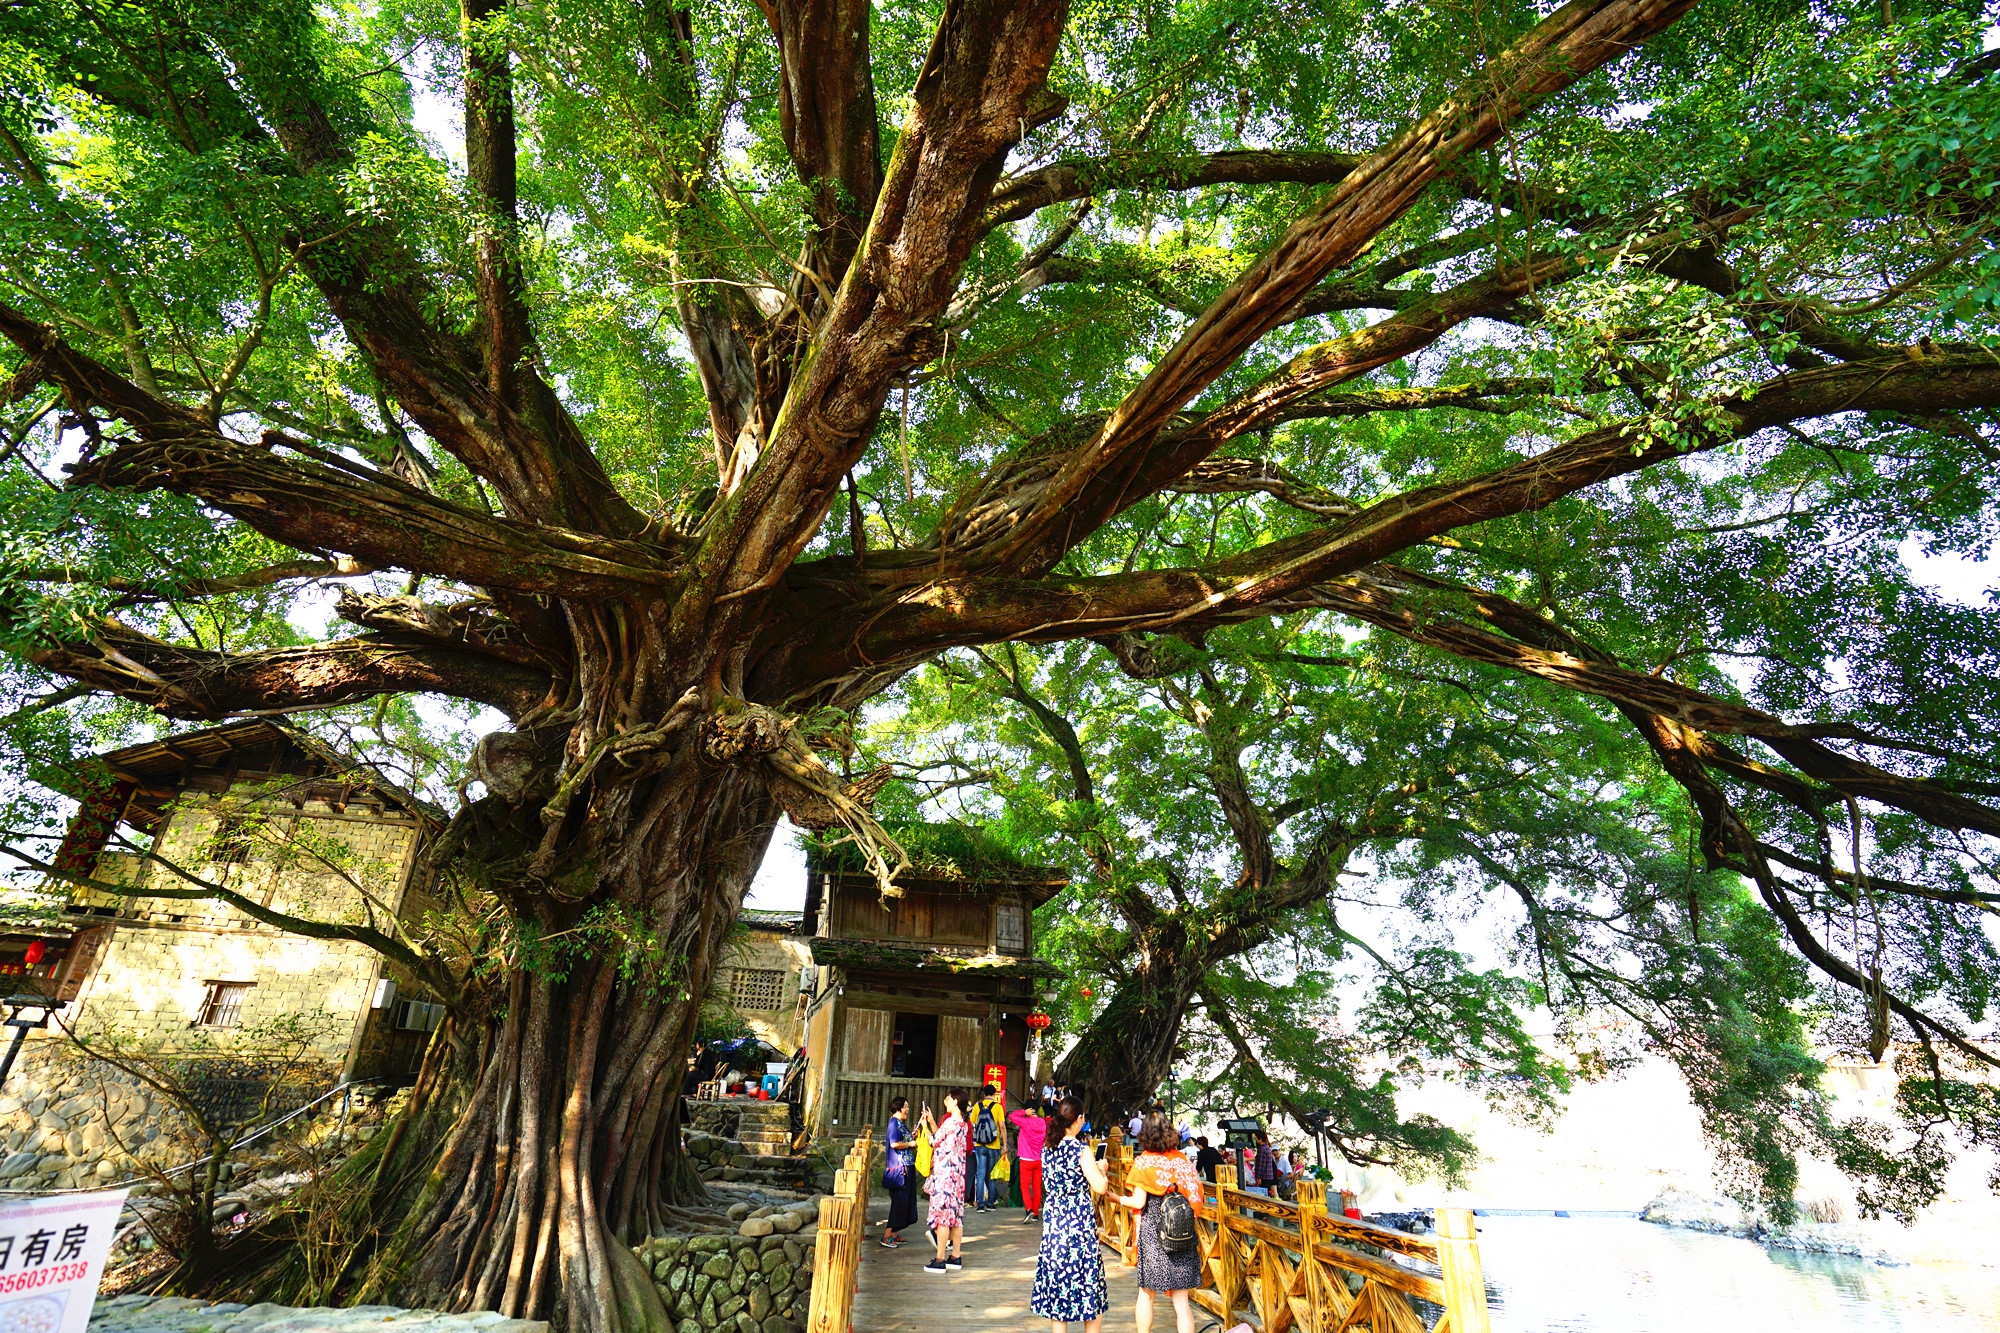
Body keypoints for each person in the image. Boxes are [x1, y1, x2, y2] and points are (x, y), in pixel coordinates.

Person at [1030, 1095, 1110, 1333]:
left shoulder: (1048, 1149)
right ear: (1079, 1119)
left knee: (1058, 1289)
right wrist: (1102, 1170)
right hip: (1079, 1228)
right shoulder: (1080, 1149)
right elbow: (1099, 1187)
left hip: (1055, 1226)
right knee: (1089, 1287)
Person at [1119, 1113, 1203, 1333]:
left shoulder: (1144, 1161)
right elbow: (1195, 1195)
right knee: (1182, 1302)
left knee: (1146, 1294)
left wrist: (1115, 1197)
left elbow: (1138, 1201)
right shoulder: (1182, 1160)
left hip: (1154, 1231)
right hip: (1180, 1231)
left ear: (1144, 1134)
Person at [919, 1090, 969, 1273]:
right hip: (957, 1176)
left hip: (945, 1176)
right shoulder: (963, 1124)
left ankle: (940, 1258)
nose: (945, 1101)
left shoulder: (949, 1122)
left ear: (955, 1102)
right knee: (956, 1218)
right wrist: (932, 1121)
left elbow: (934, 1140)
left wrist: (925, 1126)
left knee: (943, 1218)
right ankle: (955, 1256)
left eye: (948, 1099)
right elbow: (942, 1138)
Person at [881, 1098, 920, 1247]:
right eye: (905, 1107)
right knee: (899, 1201)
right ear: (897, 1107)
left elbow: (904, 1140)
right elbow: (894, 1144)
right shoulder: (893, 1123)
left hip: (906, 1166)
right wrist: (910, 1143)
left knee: (905, 1201)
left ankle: (894, 1233)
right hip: (899, 1169)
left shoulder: (900, 1124)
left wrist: (912, 1137)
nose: (907, 1110)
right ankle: (887, 1235)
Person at [969, 1083, 1008, 1211]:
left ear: (984, 1094)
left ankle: (980, 1204)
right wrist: (1005, 1145)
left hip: (979, 1145)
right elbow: (1002, 1126)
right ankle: (990, 1203)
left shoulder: (977, 1106)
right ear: (994, 1094)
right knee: (992, 1175)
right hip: (994, 1145)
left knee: (980, 1174)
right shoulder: (998, 1107)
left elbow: (972, 1124)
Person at [1010, 1099, 1050, 1221]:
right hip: (1039, 1159)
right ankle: (1036, 1213)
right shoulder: (1043, 1123)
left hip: (1026, 1159)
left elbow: (1012, 1116)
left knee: (1025, 1186)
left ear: (1028, 1110)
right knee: (1037, 1186)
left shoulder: (1025, 1122)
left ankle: (1028, 1209)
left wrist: (1023, 1112)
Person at [1249, 1131, 1280, 1198]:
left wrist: (1258, 1177)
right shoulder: (1267, 1147)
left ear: (1260, 1139)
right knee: (1269, 1193)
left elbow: (1261, 1165)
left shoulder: (1262, 1149)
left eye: (1256, 1138)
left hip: (1264, 1177)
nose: (1256, 1140)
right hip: (1269, 1176)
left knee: (1263, 1195)